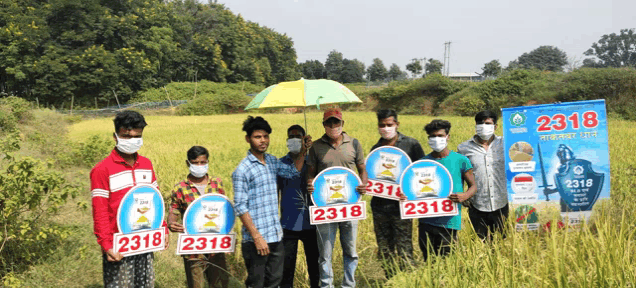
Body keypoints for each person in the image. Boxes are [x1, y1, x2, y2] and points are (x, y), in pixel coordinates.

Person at [90, 110, 168, 287]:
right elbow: (100, 210)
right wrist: (106, 244)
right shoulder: (102, 169)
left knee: (145, 284)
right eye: (126, 136)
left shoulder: (146, 164)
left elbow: (155, 200)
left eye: (137, 136)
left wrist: (162, 228)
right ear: (115, 136)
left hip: (145, 238)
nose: (132, 140)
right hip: (119, 241)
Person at [232, 116, 307, 288]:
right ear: (248, 139)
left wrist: (303, 150)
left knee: (274, 282)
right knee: (257, 283)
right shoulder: (242, 170)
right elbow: (240, 207)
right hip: (255, 240)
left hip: (275, 236)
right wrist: (257, 237)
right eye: (258, 137)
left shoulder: (273, 161)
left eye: (266, 136)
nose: (263, 141)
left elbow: (293, 172)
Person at [307, 108, 368, 288]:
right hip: (325, 207)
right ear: (324, 125)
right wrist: (310, 183)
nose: (333, 126)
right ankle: (326, 285)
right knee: (325, 253)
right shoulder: (316, 147)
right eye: (329, 123)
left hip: (349, 206)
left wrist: (363, 184)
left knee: (350, 250)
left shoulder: (354, 143)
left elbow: (362, 169)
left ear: (343, 124)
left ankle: (349, 284)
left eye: (336, 122)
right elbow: (310, 173)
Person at [370, 109, 425, 278]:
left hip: (402, 206)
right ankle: (391, 279)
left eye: (389, 125)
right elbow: (372, 175)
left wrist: (411, 192)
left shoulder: (411, 144)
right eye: (382, 125)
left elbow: (422, 172)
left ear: (397, 124)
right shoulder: (376, 149)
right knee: (385, 248)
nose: (386, 128)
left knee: (404, 247)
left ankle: (408, 280)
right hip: (379, 206)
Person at [413, 119, 476, 262]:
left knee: (447, 262)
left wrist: (464, 195)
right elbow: (415, 189)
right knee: (428, 261)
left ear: (448, 136)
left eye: (440, 136)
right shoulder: (422, 162)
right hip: (426, 220)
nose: (436, 139)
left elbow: (473, 186)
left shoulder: (460, 160)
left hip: (449, 221)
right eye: (432, 136)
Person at [167, 146, 229, 288]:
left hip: (215, 243)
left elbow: (225, 210)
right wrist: (171, 223)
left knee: (219, 283)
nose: (200, 166)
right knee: (196, 284)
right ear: (188, 163)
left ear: (207, 162)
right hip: (193, 247)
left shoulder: (217, 184)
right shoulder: (180, 188)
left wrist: (227, 236)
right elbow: (174, 210)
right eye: (195, 163)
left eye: (203, 162)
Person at [457, 110, 509, 241]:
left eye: (487, 123)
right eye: (480, 123)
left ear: (495, 126)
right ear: (475, 125)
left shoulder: (506, 143)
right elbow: (460, 173)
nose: (483, 126)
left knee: (504, 241)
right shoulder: (464, 148)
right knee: (483, 243)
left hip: (501, 202)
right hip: (477, 204)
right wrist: (463, 194)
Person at [278, 125, 319, 288]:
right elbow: (275, 194)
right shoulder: (280, 164)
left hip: (313, 223)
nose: (294, 140)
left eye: (298, 136)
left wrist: (312, 151)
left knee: (316, 269)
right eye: (291, 137)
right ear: (287, 141)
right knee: (286, 271)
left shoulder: (314, 161)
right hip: (288, 225)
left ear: (305, 139)